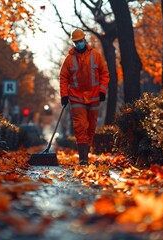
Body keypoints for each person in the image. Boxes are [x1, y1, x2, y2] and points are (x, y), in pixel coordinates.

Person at [59, 28, 110, 165]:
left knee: (91, 127)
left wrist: (102, 91)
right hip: (76, 98)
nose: (78, 44)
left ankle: (85, 155)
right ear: (74, 43)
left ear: (84, 40)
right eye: (76, 42)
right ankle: (83, 158)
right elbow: (63, 77)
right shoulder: (69, 59)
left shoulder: (96, 56)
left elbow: (104, 74)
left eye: (80, 41)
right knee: (80, 126)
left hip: (94, 97)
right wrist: (64, 95)